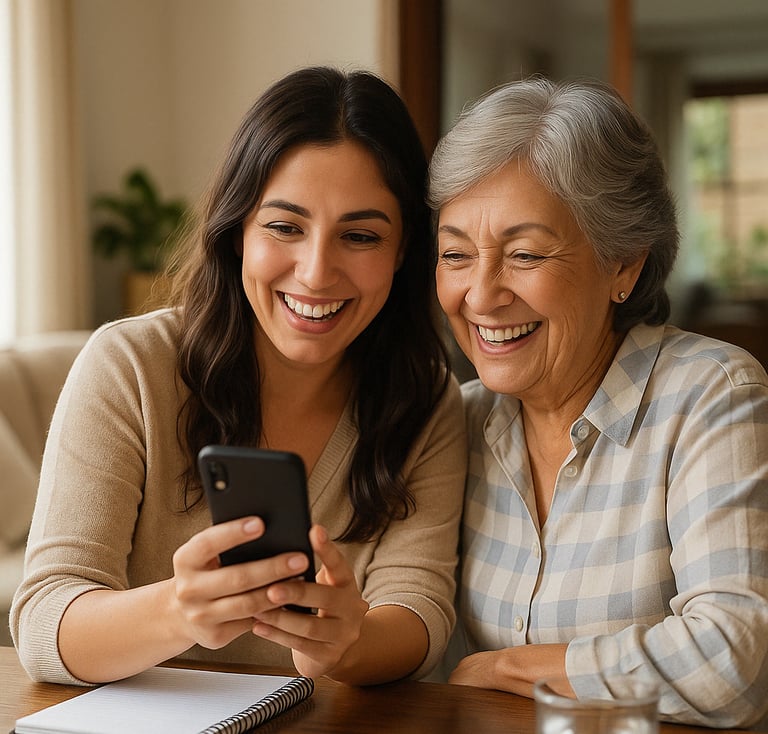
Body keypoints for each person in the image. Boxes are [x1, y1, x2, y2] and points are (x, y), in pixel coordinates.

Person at [11, 66, 466, 687]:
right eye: (285, 227)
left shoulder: (424, 397)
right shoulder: (131, 366)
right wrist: (179, 610)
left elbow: (420, 610)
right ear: (237, 232)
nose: (314, 272)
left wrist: (347, 642)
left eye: (360, 236)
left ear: (403, 253)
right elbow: (43, 624)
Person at [428, 76, 768, 729]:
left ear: (624, 265)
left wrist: (514, 667)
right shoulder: (457, 422)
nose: (480, 295)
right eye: (455, 255)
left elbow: (733, 660)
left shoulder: (711, 395)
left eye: (524, 253)